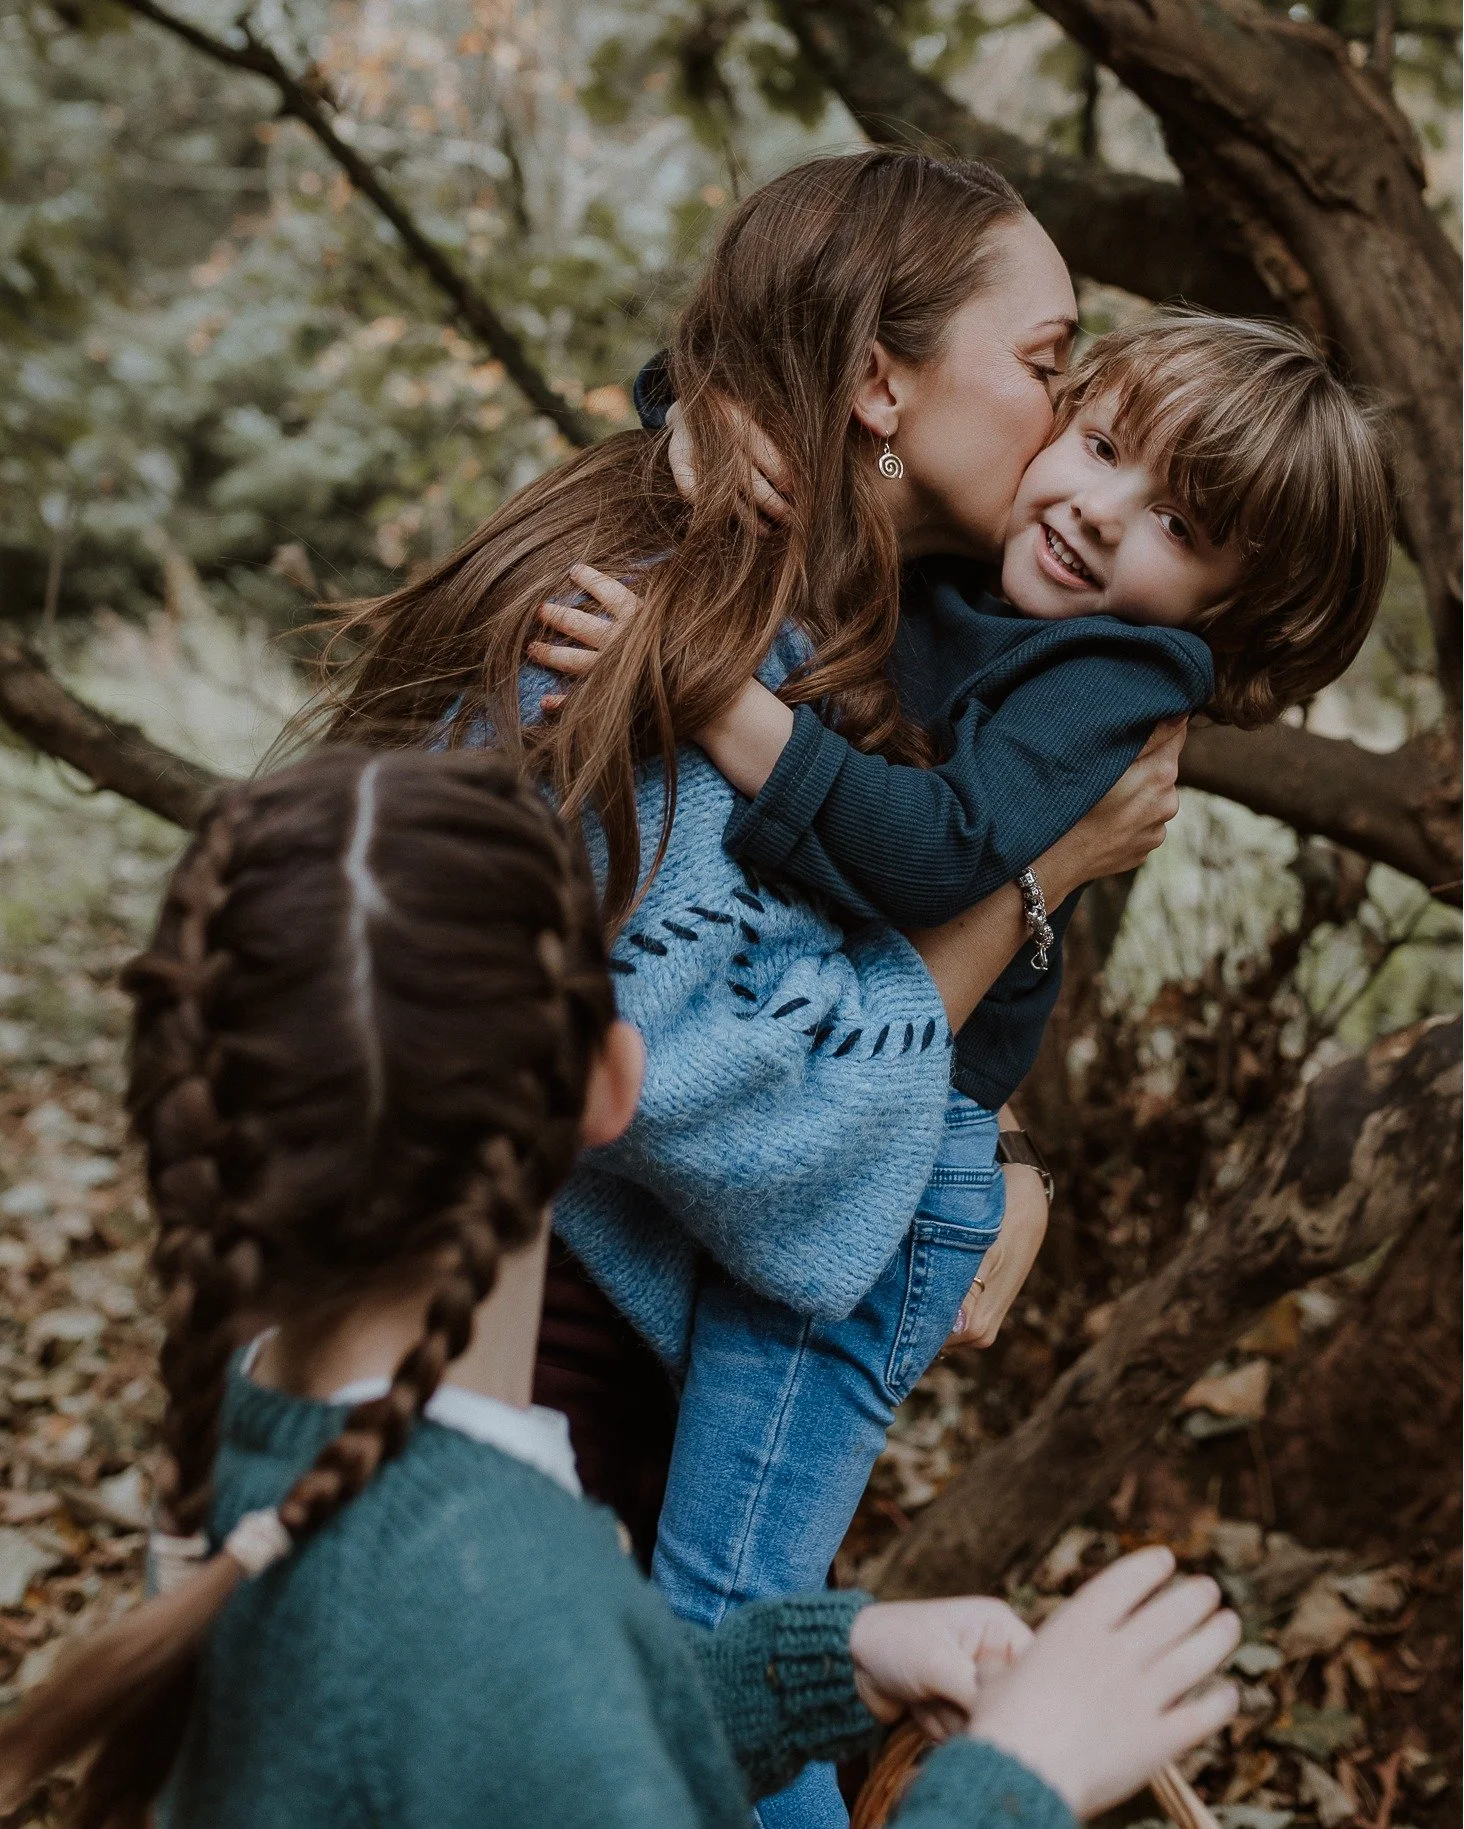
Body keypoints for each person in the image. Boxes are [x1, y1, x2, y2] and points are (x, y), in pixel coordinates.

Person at [0, 748, 1242, 1829]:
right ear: (610, 1082)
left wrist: (817, 1664)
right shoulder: (497, 1579)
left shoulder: (271, 1426)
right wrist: (1020, 1775)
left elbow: (509, 1755)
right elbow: (521, 1699)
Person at [536, 306, 1392, 1826]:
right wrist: (694, 403)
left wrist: (711, 696)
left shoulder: (1117, 668)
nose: (1095, 508)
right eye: (1103, 442)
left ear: (1231, 602)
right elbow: (809, 463)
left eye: (1176, 524)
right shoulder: (972, 578)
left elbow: (934, 856)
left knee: (734, 1622)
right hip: (828, 1125)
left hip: (887, 1162)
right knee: (724, 1616)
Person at [310, 144, 1184, 1584]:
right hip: (503, 1383)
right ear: (880, 386)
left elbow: (813, 966)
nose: (1077, 416)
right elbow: (749, 1124)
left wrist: (996, 1138)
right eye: (1049, 361)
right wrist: (1042, 882)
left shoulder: (842, 620)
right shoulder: (637, 640)